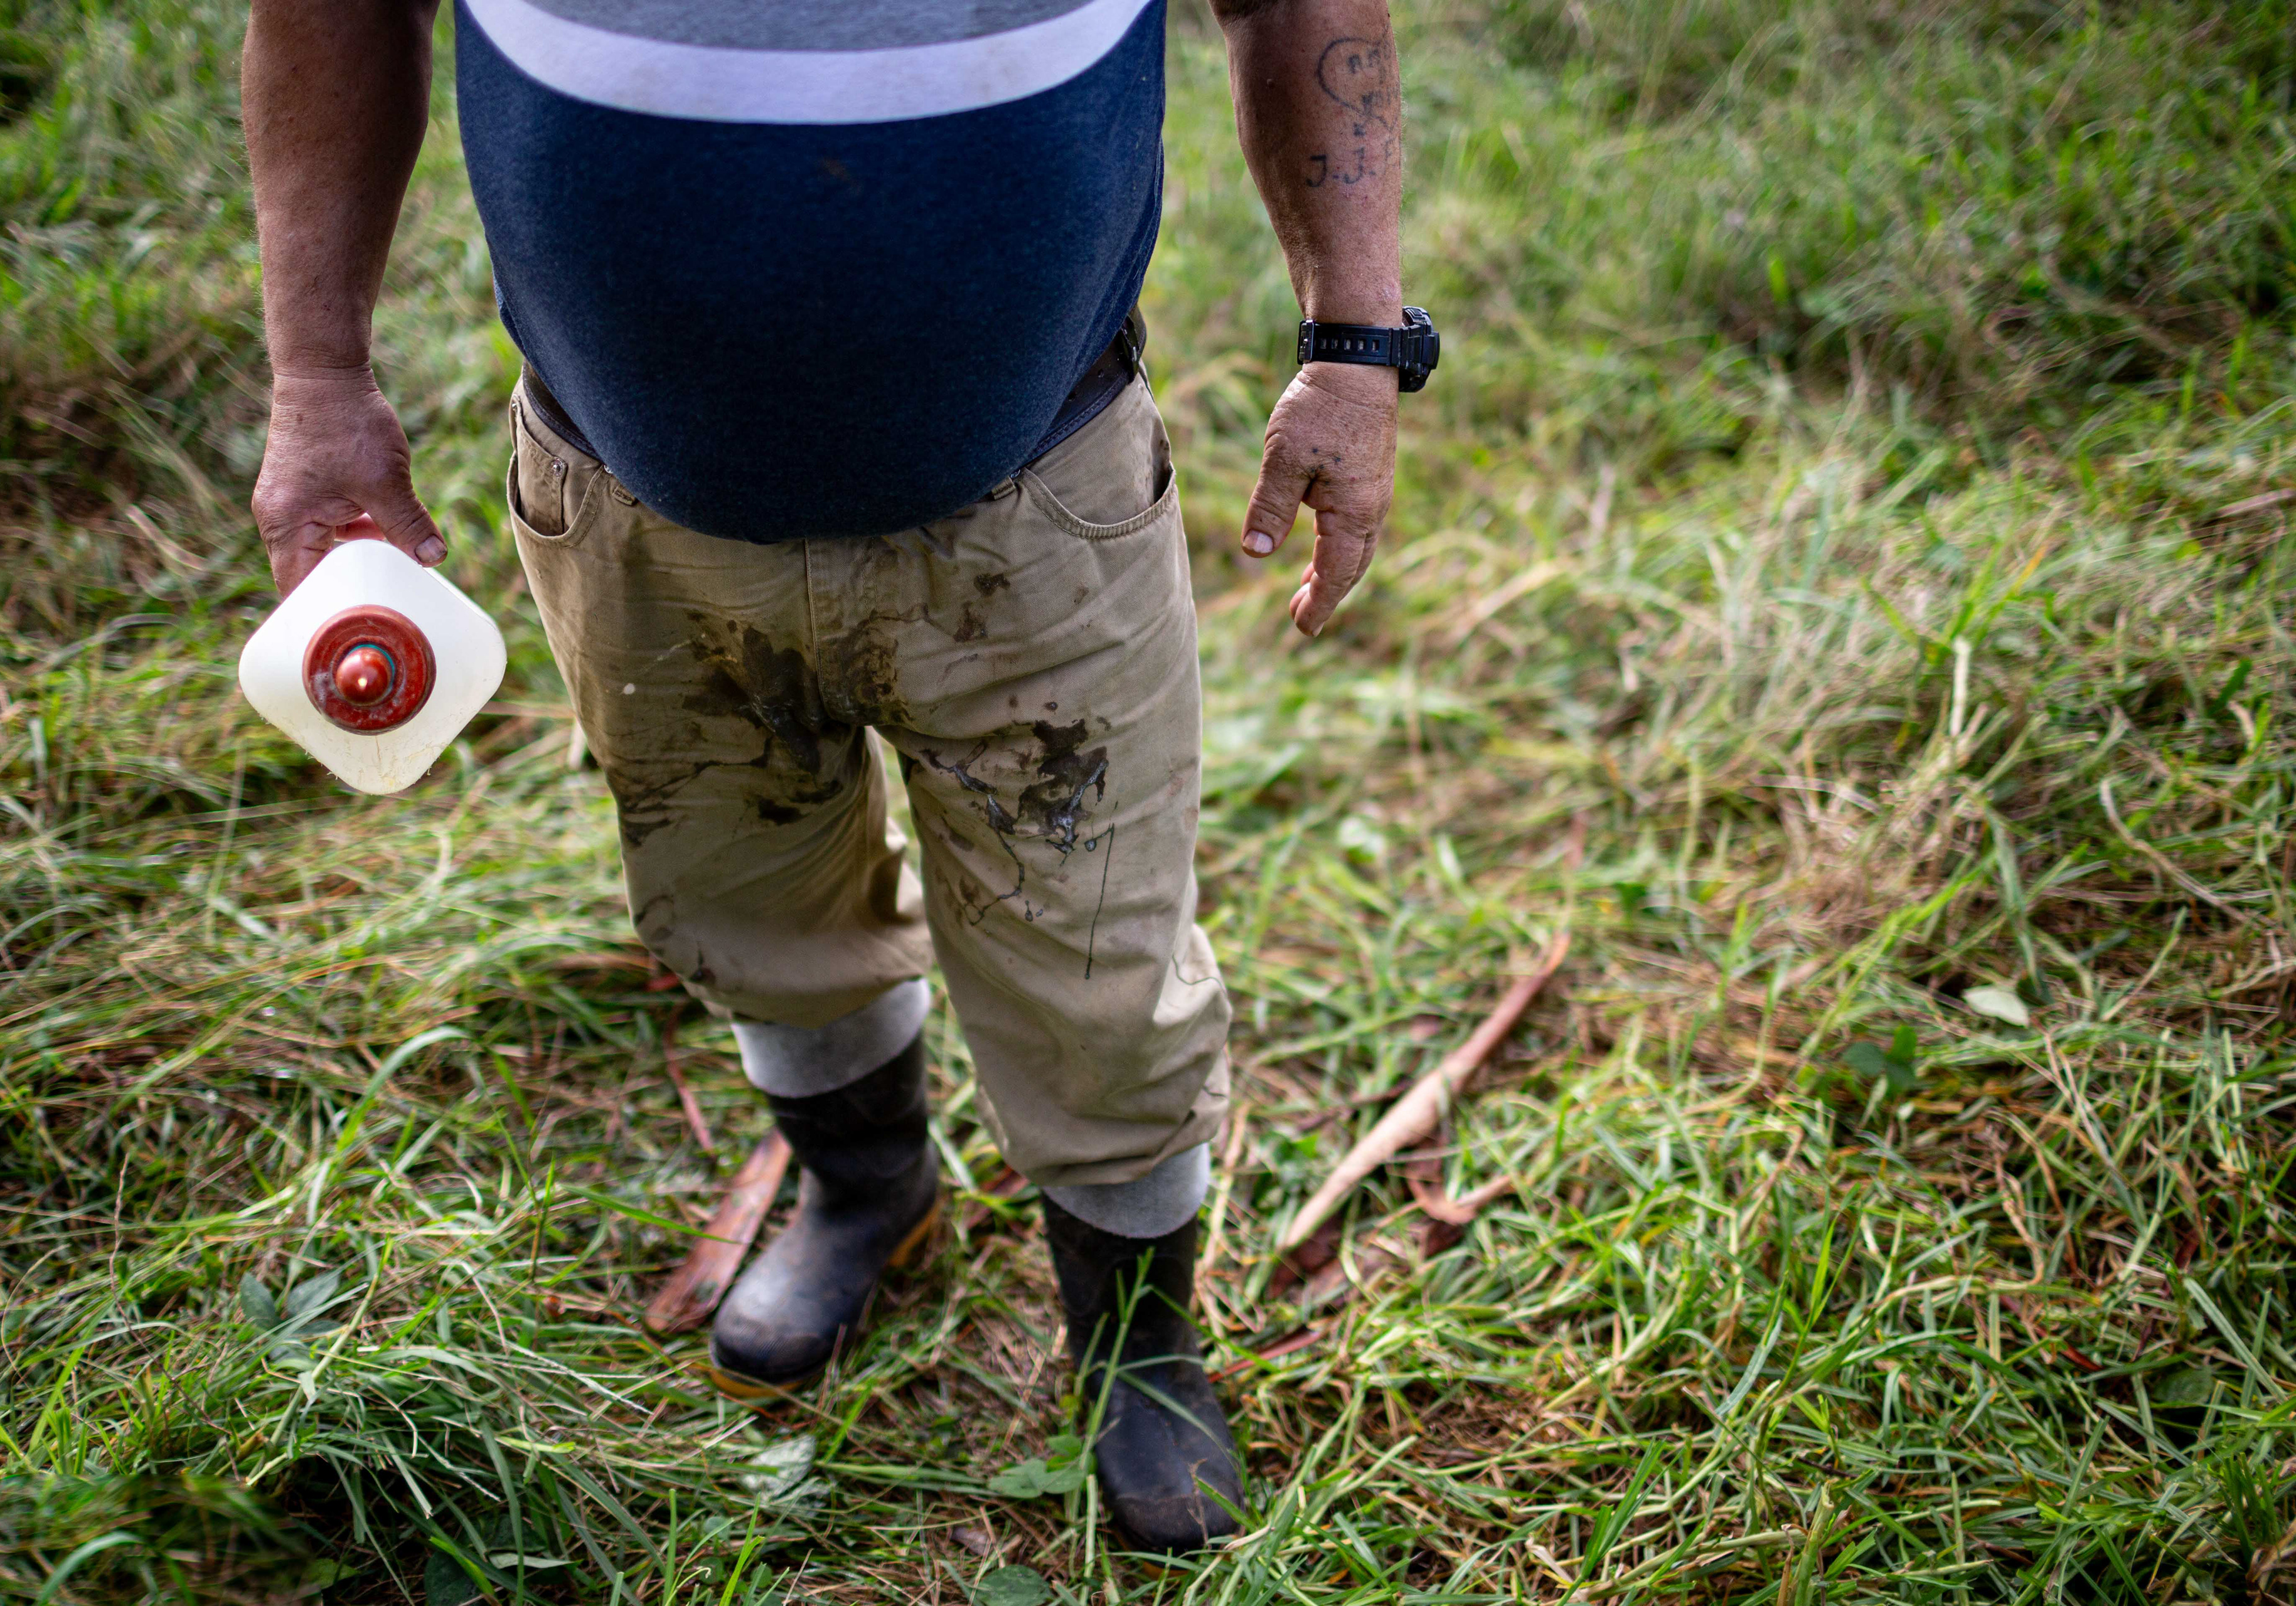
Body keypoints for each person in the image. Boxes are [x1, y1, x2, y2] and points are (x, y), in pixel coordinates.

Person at [242, 0, 1432, 1554]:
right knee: (746, 895)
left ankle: (1135, 1329)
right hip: (631, 498)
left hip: (1039, 504)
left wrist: (1354, 341)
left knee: (1093, 951)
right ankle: (867, 1190)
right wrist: (317, 375)